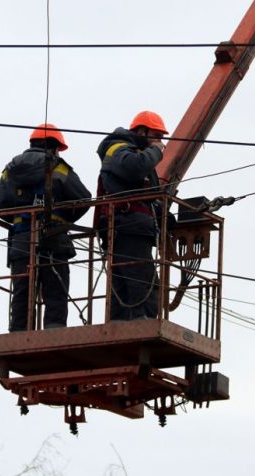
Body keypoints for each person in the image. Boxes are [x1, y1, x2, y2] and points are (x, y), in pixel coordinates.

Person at [0, 123, 91, 332]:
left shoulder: (9, 170)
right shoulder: (58, 167)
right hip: (53, 237)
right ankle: (54, 330)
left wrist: (21, 219)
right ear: (53, 147)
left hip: (21, 240)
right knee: (55, 288)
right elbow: (84, 198)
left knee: (22, 289)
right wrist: (64, 219)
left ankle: (18, 332)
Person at [95, 111, 168, 322]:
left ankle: (123, 322)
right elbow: (134, 168)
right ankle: (140, 320)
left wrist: (165, 217)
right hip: (127, 225)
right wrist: (156, 151)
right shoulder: (118, 149)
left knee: (130, 277)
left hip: (134, 225)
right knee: (140, 278)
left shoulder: (137, 154)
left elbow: (150, 195)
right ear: (141, 131)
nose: (159, 141)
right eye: (156, 135)